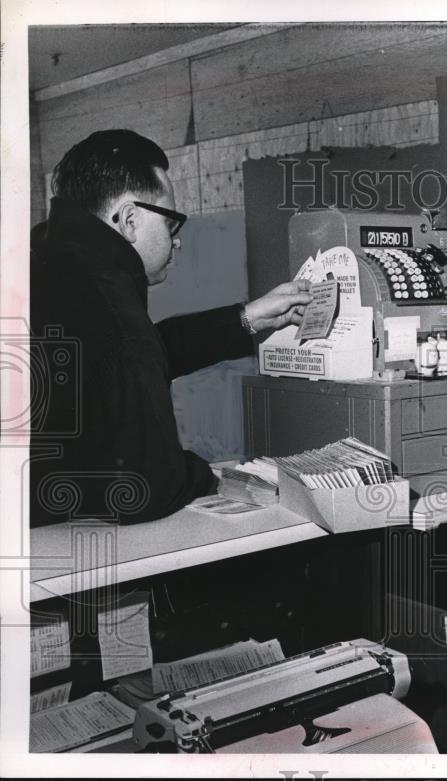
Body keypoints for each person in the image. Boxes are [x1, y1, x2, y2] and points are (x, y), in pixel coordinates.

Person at [30, 129, 313, 526]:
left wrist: (246, 318)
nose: (175, 242)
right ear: (130, 220)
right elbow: (145, 487)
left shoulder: (44, 264)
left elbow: (131, 356)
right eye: (171, 223)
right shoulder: (107, 297)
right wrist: (209, 476)